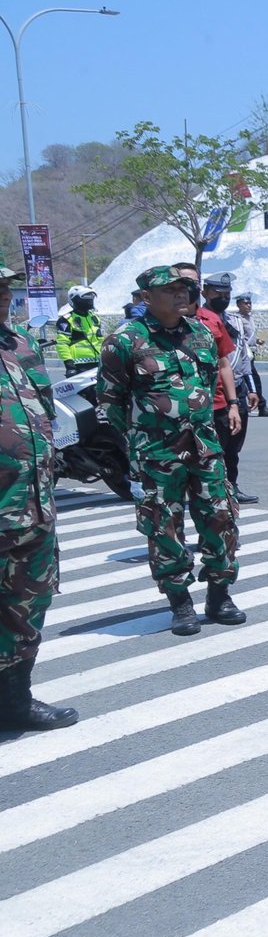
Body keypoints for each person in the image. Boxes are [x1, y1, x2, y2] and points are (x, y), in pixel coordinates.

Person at [98, 265, 245, 636]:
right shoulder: (124, 340)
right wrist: (142, 438)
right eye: (171, 290)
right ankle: (180, 602)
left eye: (184, 288)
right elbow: (111, 401)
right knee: (164, 526)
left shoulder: (200, 333)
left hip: (205, 447)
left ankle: (219, 594)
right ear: (147, 297)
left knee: (220, 517)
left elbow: (206, 383)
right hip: (157, 453)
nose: (182, 294)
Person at [0, 312, 78, 733]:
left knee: (27, 603)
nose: (3, 294)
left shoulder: (20, 343)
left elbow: (43, 409)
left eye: (6, 286)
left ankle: (14, 701)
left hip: (33, 505)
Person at [199, 272, 259, 503]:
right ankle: (212, 490)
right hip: (212, 393)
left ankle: (231, 487)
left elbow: (244, 357)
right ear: (205, 293)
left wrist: (251, 389)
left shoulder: (235, 321)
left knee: (234, 445)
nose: (223, 298)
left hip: (237, 389)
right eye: (218, 294)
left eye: (227, 294)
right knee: (215, 446)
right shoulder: (197, 321)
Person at [235, 291, 268, 416]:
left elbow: (249, 335)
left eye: (250, 303)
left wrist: (257, 341)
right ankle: (261, 405)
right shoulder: (237, 319)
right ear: (239, 305)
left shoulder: (250, 318)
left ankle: (257, 404)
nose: (248, 305)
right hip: (244, 354)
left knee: (250, 380)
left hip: (251, 352)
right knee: (252, 379)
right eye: (245, 303)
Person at [56, 285, 104, 376]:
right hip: (79, 365)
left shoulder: (95, 318)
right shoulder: (66, 320)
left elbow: (100, 340)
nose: (89, 301)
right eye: (86, 298)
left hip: (99, 363)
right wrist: (69, 365)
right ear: (74, 300)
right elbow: (62, 344)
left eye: (91, 298)